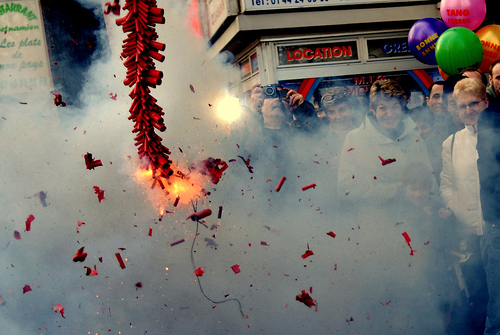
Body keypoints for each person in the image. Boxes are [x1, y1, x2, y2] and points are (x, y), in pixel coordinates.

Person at [440, 77, 489, 334]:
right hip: (469, 235)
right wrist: (457, 208)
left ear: (486, 102)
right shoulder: (451, 143)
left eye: (474, 104)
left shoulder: (497, 133)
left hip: (496, 231)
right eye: (462, 106)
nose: (468, 111)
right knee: (479, 297)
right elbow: (446, 185)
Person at [337, 79, 436, 205]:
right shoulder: (355, 138)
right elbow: (346, 187)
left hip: (415, 218)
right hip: (374, 218)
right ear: (373, 108)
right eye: (383, 108)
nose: (390, 114)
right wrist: (394, 190)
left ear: (402, 107)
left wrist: (435, 207)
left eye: (395, 107)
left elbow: (429, 178)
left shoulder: (413, 137)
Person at [477, 60, 500, 335]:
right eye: (498, 77)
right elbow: (490, 169)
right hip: (498, 219)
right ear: (491, 82)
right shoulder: (490, 117)